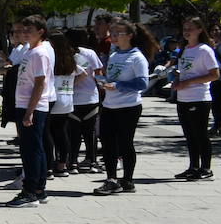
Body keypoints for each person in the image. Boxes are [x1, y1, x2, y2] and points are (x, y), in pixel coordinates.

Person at [93, 19, 155, 195]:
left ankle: (128, 180)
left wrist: (118, 86)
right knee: (107, 143)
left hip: (128, 106)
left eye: (117, 34)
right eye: (112, 33)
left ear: (129, 36)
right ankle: (111, 179)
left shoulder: (137, 56)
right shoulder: (114, 55)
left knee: (125, 143)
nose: (113, 37)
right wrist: (103, 81)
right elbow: (112, 76)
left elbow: (142, 83)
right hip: (109, 105)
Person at [9, 15, 55, 208]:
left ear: (40, 32)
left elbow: (40, 83)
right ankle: (38, 190)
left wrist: (30, 111)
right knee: (35, 149)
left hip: (32, 106)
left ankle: (30, 191)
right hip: (27, 104)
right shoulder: (32, 50)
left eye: (29, 30)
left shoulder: (40, 53)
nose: (25, 33)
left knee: (31, 151)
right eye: (23, 30)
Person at [172, 17, 220, 180]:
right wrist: (177, 81)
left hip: (199, 98)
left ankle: (206, 168)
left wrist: (189, 82)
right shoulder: (185, 49)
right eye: (185, 28)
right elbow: (183, 71)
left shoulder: (204, 50)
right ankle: (193, 166)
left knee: (200, 134)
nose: (187, 31)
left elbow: (214, 74)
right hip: (183, 97)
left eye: (190, 28)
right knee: (189, 134)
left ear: (200, 30)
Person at [65, 29, 103, 172]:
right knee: (90, 131)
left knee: (73, 132)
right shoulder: (90, 53)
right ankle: (91, 161)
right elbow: (99, 72)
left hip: (72, 97)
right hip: (90, 97)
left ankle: (73, 162)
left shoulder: (64, 54)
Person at [46, 33, 79, 178]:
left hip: (53, 97)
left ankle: (48, 165)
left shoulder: (52, 59)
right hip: (67, 98)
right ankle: (62, 165)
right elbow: (84, 74)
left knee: (48, 133)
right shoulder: (70, 59)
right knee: (62, 132)